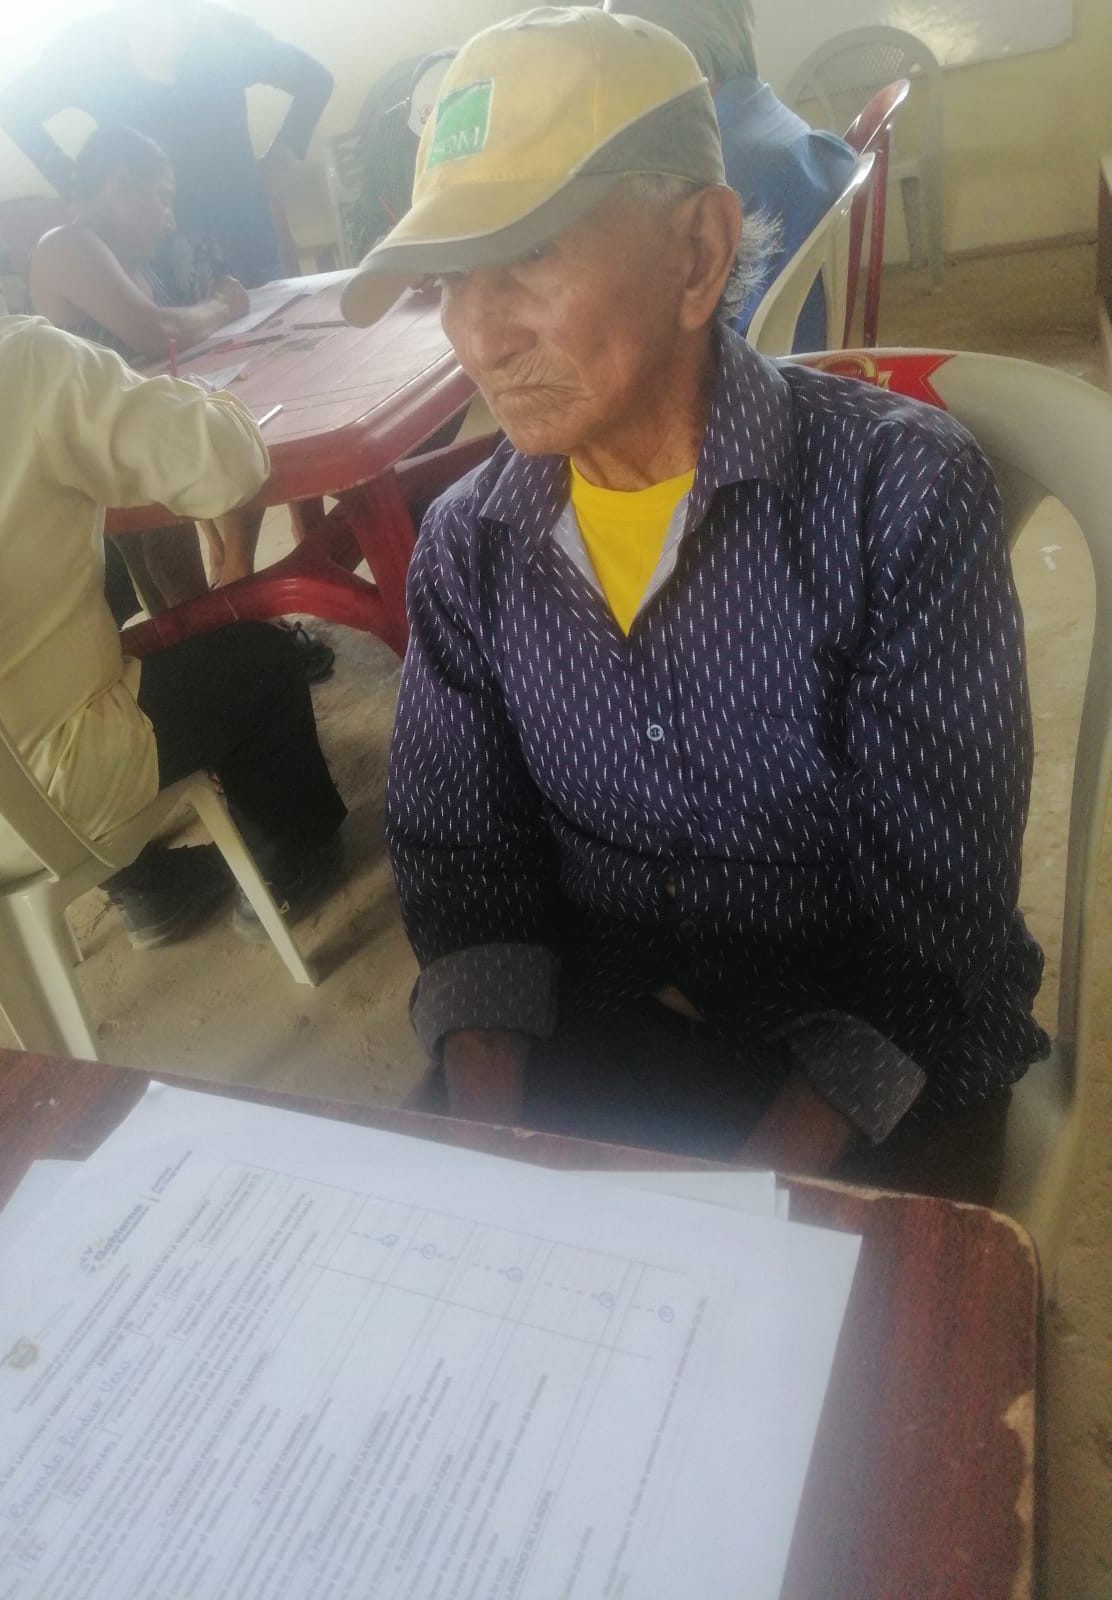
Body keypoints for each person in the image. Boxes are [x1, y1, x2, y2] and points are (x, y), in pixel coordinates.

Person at [343, 7, 1049, 1192]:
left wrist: (737, 1208)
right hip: (599, 1023)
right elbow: (464, 868)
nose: (481, 335)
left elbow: (933, 933)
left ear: (697, 252)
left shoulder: (900, 499)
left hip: (873, 1073)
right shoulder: (469, 546)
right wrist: (493, 1151)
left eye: (530, 257)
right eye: (449, 280)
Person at [0, 184, 346, 950]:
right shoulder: (10, 355)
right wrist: (203, 401)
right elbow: (223, 469)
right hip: (44, 799)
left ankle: (149, 888)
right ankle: (291, 857)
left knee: (76, 606)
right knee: (261, 661)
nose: (0, 294)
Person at [31, 125, 255, 606]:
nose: (170, 222)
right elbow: (155, 332)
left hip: (138, 442)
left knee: (239, 431)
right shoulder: (66, 245)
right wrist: (222, 304)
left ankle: (231, 597)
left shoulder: (131, 262)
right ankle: (223, 617)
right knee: (168, 578)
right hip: (100, 457)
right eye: (163, 199)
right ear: (121, 185)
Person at [0, 0, 333, 297]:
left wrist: (281, 155)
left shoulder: (226, 34)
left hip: (241, 228)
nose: (169, 24)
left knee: (273, 332)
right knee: (178, 343)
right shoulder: (88, 50)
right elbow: (13, 109)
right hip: (150, 244)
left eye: (182, 8)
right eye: (153, 9)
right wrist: (76, 187)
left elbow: (315, 79)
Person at [605, 0, 857, 351]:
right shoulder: (776, 127)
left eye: (622, 52)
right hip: (796, 359)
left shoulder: (709, 172)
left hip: (744, 367)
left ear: (683, 53)